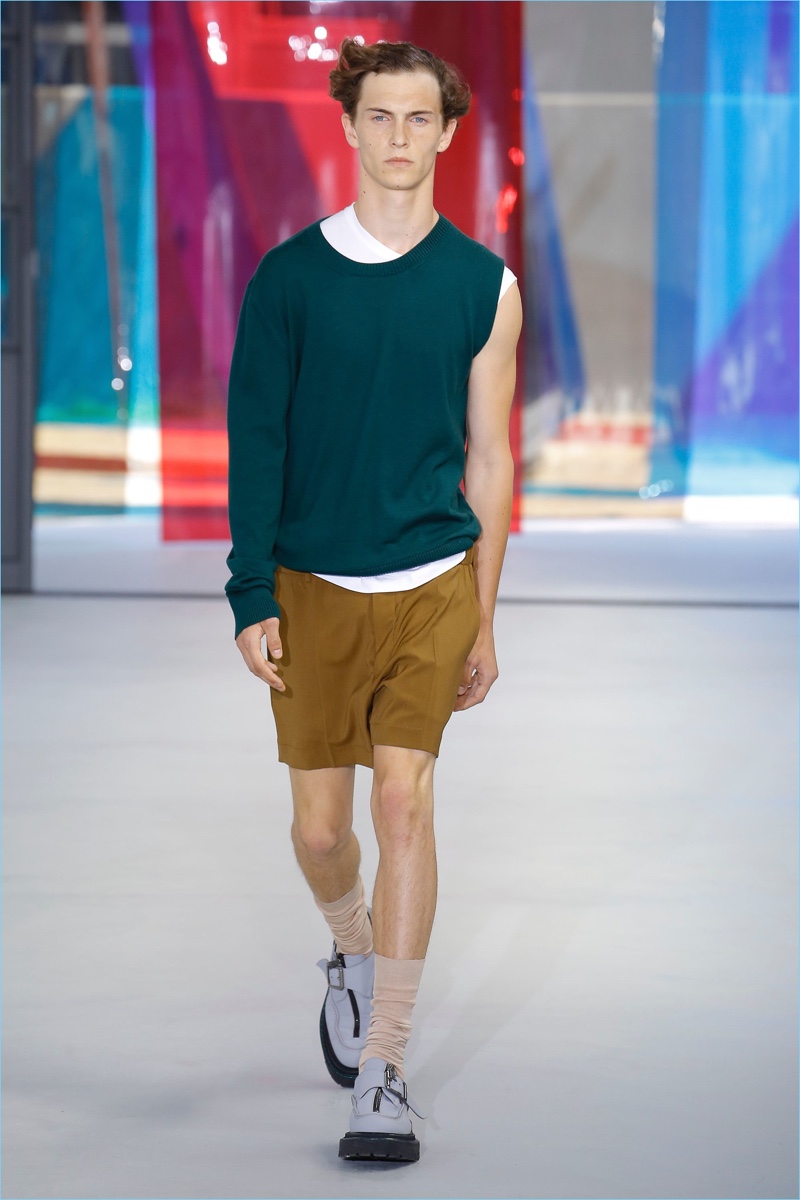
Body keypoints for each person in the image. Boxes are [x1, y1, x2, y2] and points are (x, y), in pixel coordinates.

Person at [225, 37, 522, 1162]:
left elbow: (488, 460)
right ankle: (349, 947)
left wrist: (484, 612)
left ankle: (384, 1066)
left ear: (447, 132)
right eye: (380, 116)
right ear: (350, 126)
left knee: (404, 806)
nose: (399, 136)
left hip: (430, 581)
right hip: (310, 584)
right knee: (319, 832)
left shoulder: (484, 287)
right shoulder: (289, 280)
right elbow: (258, 440)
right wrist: (250, 589)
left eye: (419, 118)